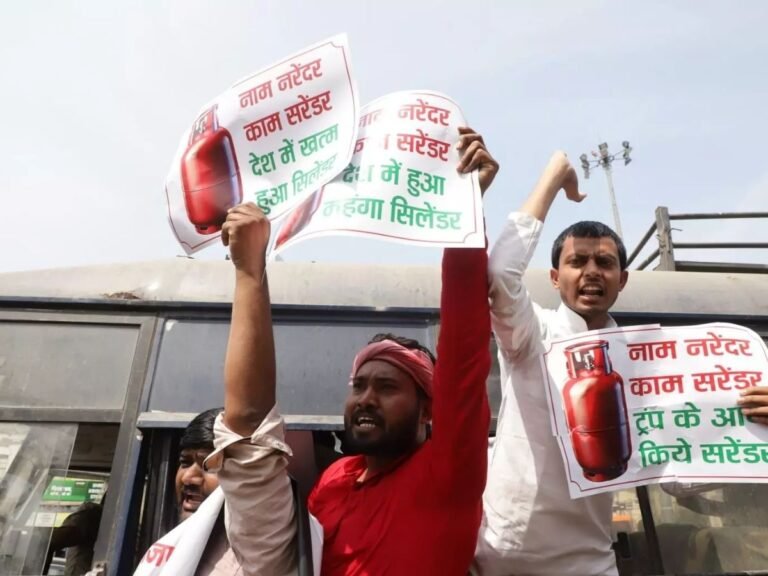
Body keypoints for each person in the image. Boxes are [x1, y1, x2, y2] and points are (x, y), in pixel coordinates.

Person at [210, 126, 498, 576]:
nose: (365, 398)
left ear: (428, 409)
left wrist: (463, 214)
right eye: (359, 385)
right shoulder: (333, 482)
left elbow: (464, 352)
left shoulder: (447, 473)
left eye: (386, 387)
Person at [474, 151, 628, 576]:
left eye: (605, 262)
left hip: (589, 563)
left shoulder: (637, 364)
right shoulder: (533, 335)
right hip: (501, 557)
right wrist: (553, 176)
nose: (591, 272)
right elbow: (500, 274)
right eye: (577, 262)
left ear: (623, 279)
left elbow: (675, 467)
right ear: (555, 278)